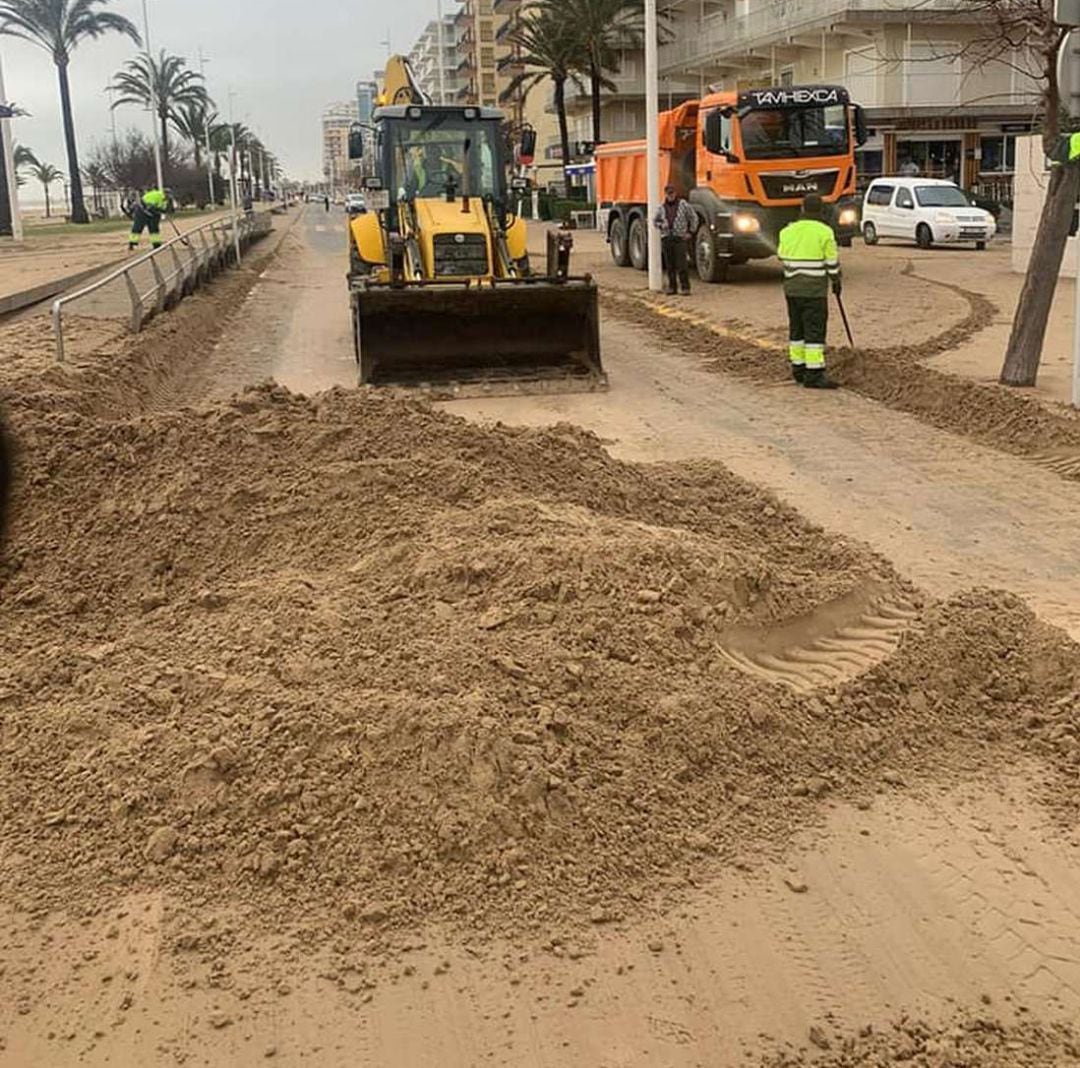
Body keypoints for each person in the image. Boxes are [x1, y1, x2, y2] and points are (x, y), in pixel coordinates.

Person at [777, 193, 841, 390]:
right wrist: (836, 280)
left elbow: (781, 256)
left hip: (792, 289)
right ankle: (814, 374)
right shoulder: (825, 232)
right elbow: (831, 262)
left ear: (802, 209)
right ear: (821, 210)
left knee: (797, 329)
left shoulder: (787, 231)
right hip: (814, 291)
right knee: (814, 331)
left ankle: (799, 369)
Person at [652, 184, 696, 295]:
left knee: (682, 264)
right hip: (667, 238)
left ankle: (685, 288)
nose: (670, 195)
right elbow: (655, 221)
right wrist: (662, 225)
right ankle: (672, 287)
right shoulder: (661, 208)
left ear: (675, 193)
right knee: (669, 265)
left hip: (679, 238)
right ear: (665, 194)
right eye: (668, 193)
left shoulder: (683, 205)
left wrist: (690, 232)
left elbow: (693, 217)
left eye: (672, 193)